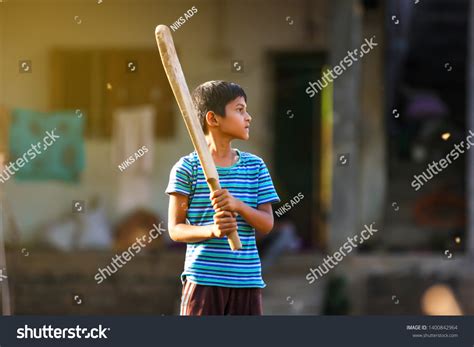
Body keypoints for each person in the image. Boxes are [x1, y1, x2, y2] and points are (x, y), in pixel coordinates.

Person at [165, 80, 280, 315]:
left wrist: (238, 206)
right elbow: (175, 229)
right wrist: (212, 231)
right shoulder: (187, 168)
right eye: (239, 110)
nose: (248, 117)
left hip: (247, 280)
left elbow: (267, 224)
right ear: (213, 119)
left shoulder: (255, 166)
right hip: (204, 279)